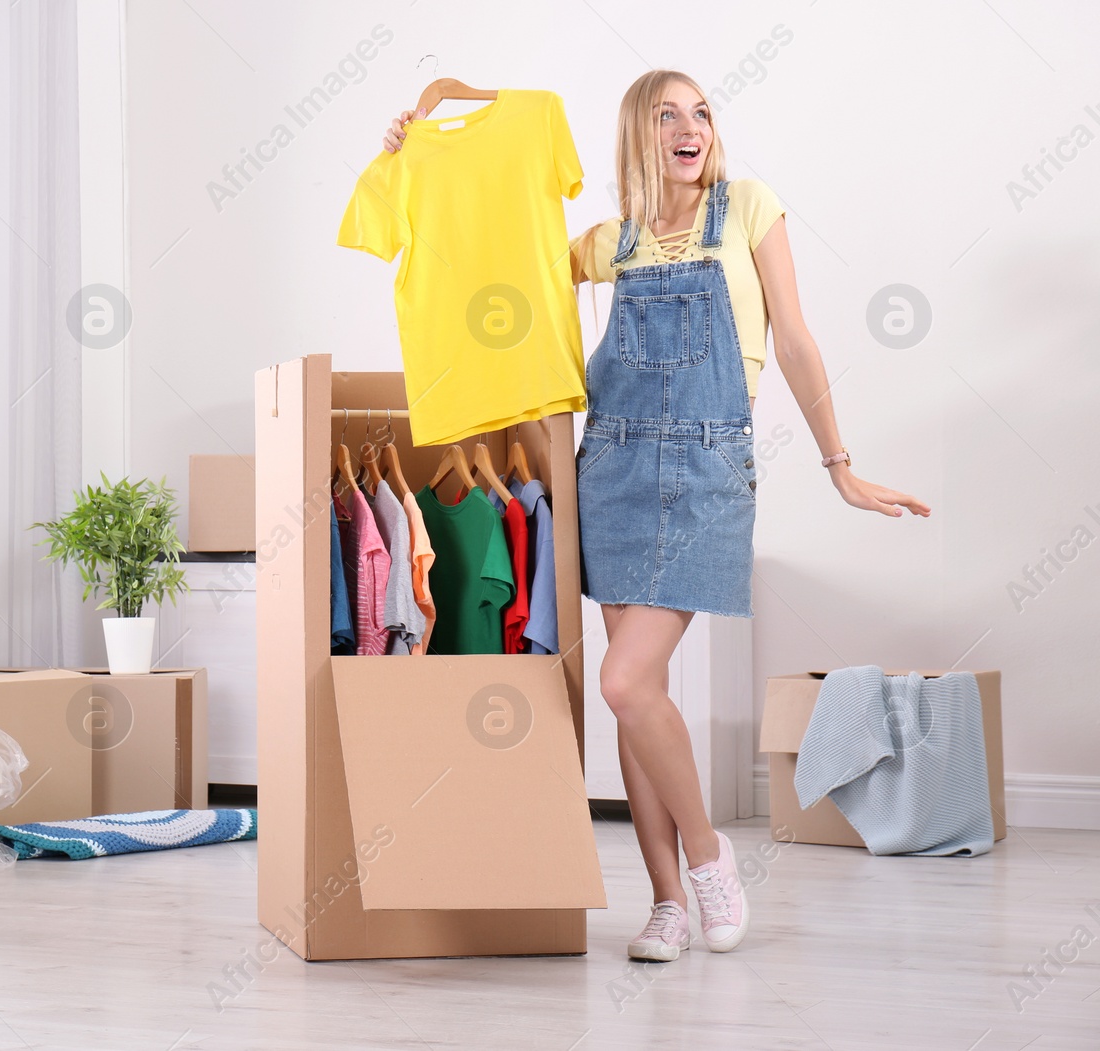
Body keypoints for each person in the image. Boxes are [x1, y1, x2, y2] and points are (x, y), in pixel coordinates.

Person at [381, 70, 931, 961]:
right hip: (615, 471)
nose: (692, 127)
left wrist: (840, 465)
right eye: (669, 114)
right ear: (642, 135)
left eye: (702, 112)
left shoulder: (749, 209)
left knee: (625, 682)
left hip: (708, 469)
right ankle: (667, 902)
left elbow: (792, 336)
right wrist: (422, 166)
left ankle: (710, 856)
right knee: (641, 703)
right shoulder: (615, 240)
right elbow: (495, 261)